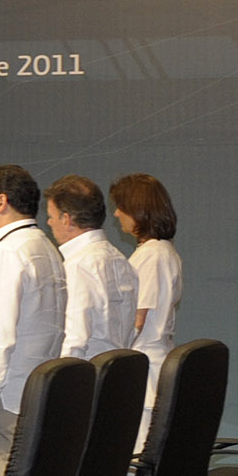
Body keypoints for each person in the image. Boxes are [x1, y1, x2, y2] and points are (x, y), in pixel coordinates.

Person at [0, 164, 67, 476]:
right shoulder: (45, 248)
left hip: (4, 402)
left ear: (1, 201)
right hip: (35, 394)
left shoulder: (6, 254)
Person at [111, 173, 183, 444]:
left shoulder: (153, 255)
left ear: (139, 211)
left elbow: (137, 321)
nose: (116, 214)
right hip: (151, 367)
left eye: (122, 207)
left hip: (146, 374)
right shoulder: (161, 251)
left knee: (136, 455)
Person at [45, 174, 136, 360]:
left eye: (50, 216)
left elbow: (74, 340)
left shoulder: (79, 266)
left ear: (66, 219)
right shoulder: (121, 261)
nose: (49, 222)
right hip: (116, 378)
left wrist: (59, 384)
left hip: (85, 380)